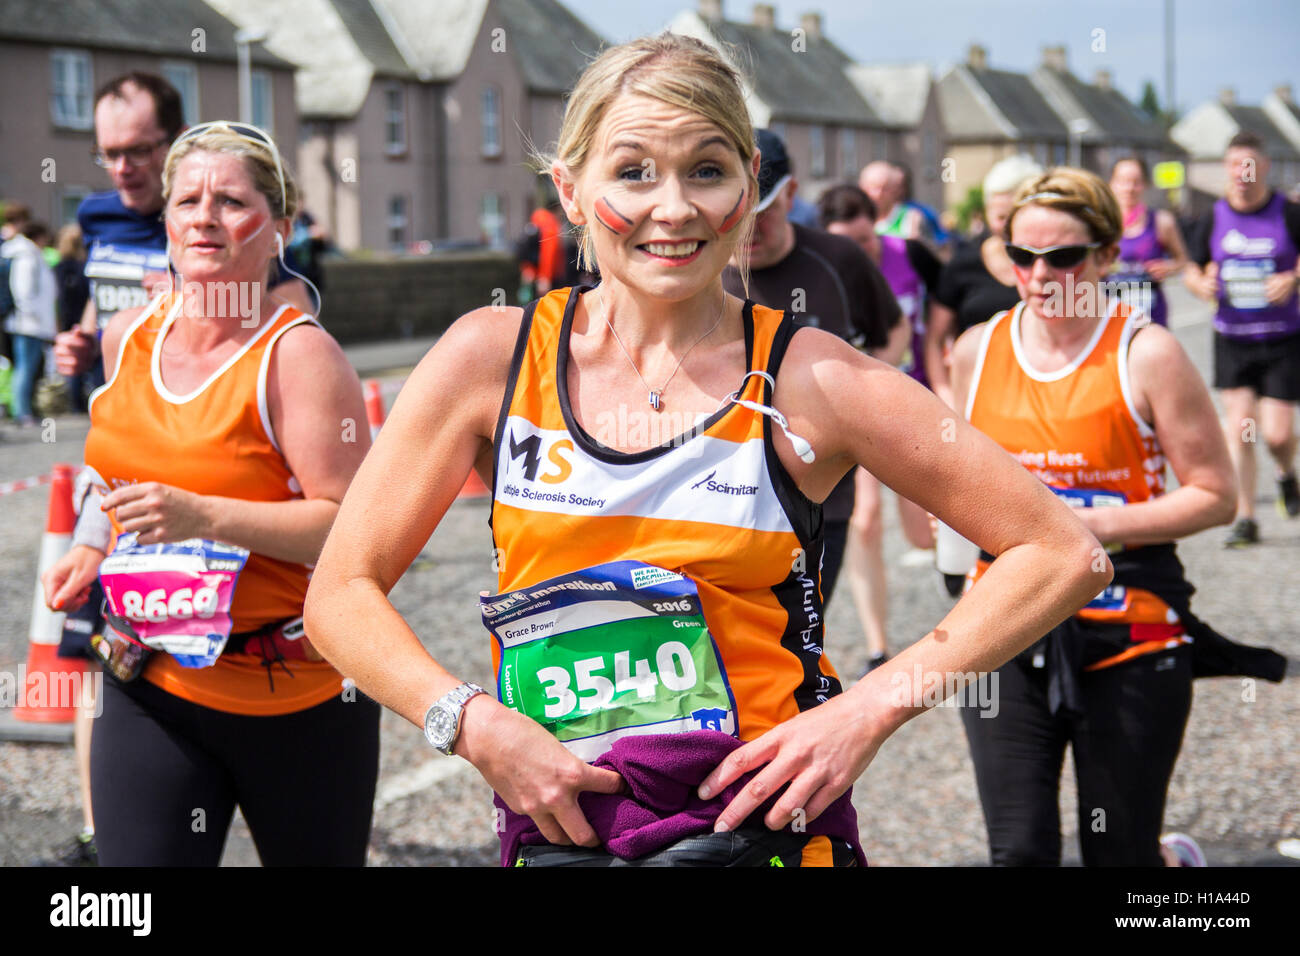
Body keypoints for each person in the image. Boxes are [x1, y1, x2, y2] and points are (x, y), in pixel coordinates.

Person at [304, 33, 1110, 869]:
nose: (675, 207)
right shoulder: (489, 358)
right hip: (559, 822)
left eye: (708, 170)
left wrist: (865, 713)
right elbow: (339, 592)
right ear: (570, 190)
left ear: (752, 187)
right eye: (634, 172)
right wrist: (471, 724)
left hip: (755, 824)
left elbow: (1059, 553)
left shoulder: (816, 379)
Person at [40, 122, 377, 866]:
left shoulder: (298, 355)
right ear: (164, 222)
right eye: (187, 199)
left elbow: (353, 530)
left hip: (297, 697)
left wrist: (202, 517)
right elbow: (116, 470)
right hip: (148, 678)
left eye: (230, 201)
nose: (203, 216)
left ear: (279, 227)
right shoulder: (126, 336)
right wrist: (93, 543)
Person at [951, 167, 1283, 866]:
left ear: (1106, 257)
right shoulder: (976, 350)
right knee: (1017, 854)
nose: (1041, 275)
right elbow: (959, 488)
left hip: (1128, 625)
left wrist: (1087, 528)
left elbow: (1215, 495)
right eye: (1022, 255)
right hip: (1006, 625)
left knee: (1119, 857)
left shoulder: (1148, 351)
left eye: (1064, 257)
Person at [722, 128, 905, 605]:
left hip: (823, 495)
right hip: (724, 490)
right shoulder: (701, 269)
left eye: (764, 213)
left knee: (803, 629)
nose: (749, 229)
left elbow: (894, 330)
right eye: (737, 214)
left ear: (792, 195)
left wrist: (857, 396)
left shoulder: (838, 259)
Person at [818, 184, 943, 670]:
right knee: (864, 519)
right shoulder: (826, 273)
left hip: (915, 405)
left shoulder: (909, 254)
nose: (859, 252)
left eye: (866, 239)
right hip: (855, 418)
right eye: (846, 241)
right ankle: (877, 644)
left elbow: (942, 317)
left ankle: (956, 566)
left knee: (920, 532)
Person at [1184, 130, 1300, 546]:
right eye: (1235, 165)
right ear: (1227, 170)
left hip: (1283, 339)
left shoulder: (1287, 212)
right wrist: (1203, 286)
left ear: (1265, 167)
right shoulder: (1214, 217)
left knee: (1278, 434)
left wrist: (1293, 278)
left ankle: (1287, 474)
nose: (1243, 174)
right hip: (1233, 341)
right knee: (1242, 428)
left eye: (1251, 165)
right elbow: (1192, 269)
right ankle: (1247, 517)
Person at [926, 154, 1043, 411]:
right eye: (999, 216)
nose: (1006, 226)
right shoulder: (964, 261)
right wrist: (949, 400)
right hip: (978, 399)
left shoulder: (1054, 265)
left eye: (1013, 215)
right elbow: (934, 340)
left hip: (1041, 398)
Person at [1107, 156, 1188, 327]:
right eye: (1123, 181)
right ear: (1111, 184)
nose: (1129, 188)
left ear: (1145, 184)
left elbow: (1183, 261)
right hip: (1111, 318)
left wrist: (1169, 267)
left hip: (1150, 317)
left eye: (1136, 182)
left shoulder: (1162, 221)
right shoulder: (1100, 224)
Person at [2, 220, 58, 427]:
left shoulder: (26, 253)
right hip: (27, 324)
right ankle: (22, 412)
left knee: (27, 367)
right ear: (38, 237)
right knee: (25, 368)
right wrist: (33, 316)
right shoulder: (27, 256)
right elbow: (23, 290)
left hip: (29, 323)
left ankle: (25, 409)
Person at [53, 225, 91, 412]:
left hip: (66, 319)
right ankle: (80, 403)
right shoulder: (84, 267)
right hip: (83, 319)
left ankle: (75, 403)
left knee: (72, 362)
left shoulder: (57, 268)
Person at [859, 160, 925, 241]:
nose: (878, 194)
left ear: (895, 190)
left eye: (885, 188)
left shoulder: (911, 218)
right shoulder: (855, 218)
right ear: (862, 188)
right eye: (873, 187)